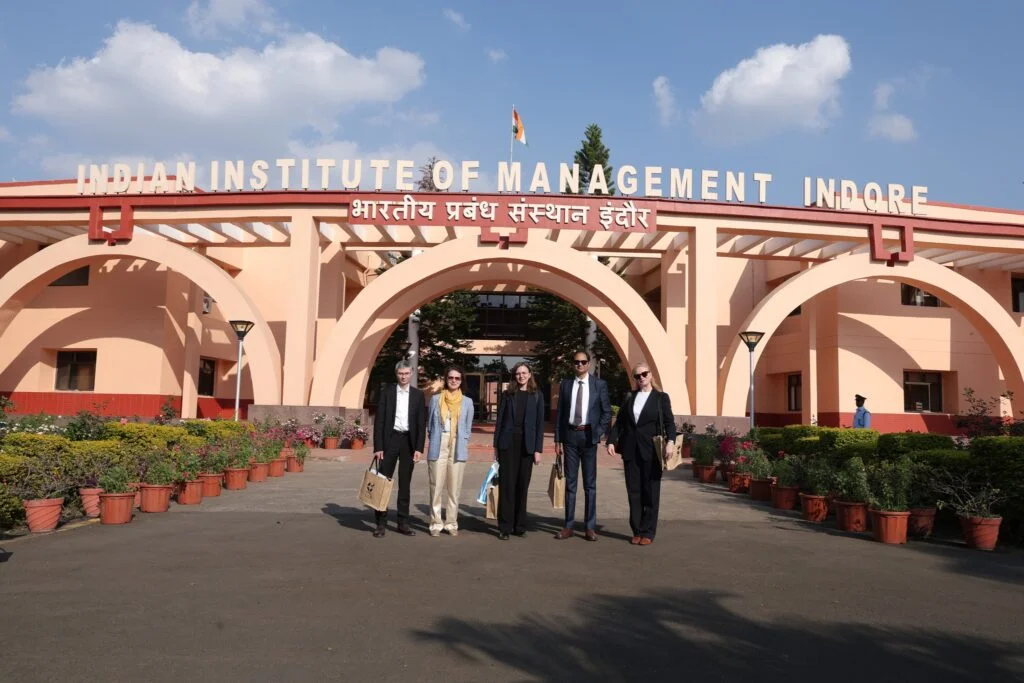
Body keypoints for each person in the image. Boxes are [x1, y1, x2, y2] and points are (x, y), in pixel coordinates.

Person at [606, 362, 675, 546]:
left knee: (651, 492)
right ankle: (636, 530)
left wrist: (670, 442)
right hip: (630, 451)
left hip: (652, 451)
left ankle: (648, 531)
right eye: (637, 376)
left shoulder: (661, 398)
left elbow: (670, 423)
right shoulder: (630, 397)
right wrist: (611, 440)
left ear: (651, 375)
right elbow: (620, 423)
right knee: (634, 492)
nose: (641, 378)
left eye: (644, 374)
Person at [553, 349, 612, 541]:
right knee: (570, 484)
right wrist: (557, 439)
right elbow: (560, 413)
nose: (579, 365)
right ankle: (568, 526)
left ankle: (590, 527)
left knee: (590, 485)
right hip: (570, 437)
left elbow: (606, 412)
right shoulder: (566, 384)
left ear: (589, 364)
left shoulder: (599, 385)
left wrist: (598, 433)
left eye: (583, 362)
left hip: (588, 438)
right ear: (573, 364)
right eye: (576, 362)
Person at [371, 360, 426, 538]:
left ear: (411, 374)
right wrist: (378, 447)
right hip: (390, 441)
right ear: (397, 374)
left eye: (406, 373)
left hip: (408, 443)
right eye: (400, 373)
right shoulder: (387, 393)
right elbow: (379, 422)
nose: (403, 376)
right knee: (383, 482)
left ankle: (403, 522)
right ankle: (380, 523)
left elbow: (420, 424)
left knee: (404, 485)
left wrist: (419, 448)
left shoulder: (418, 395)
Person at [492, 362, 545, 540]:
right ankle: (505, 527)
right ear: (514, 376)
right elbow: (500, 421)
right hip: (508, 443)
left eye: (524, 373)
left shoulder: (537, 395)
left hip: (527, 445)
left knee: (523, 485)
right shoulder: (508, 394)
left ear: (530, 375)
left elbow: (539, 425)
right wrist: (496, 446)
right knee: (507, 485)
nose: (521, 376)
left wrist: (538, 449)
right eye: (518, 373)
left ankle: (520, 525)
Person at [425, 365, 474, 537]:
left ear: (461, 381)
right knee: (436, 486)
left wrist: (461, 441)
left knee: (454, 488)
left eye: (457, 378)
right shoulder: (436, 399)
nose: (453, 381)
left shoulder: (467, 402)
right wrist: (437, 439)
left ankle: (451, 523)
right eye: (451, 378)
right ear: (446, 379)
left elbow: (468, 427)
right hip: (439, 443)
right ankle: (436, 523)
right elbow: (430, 426)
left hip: (457, 445)